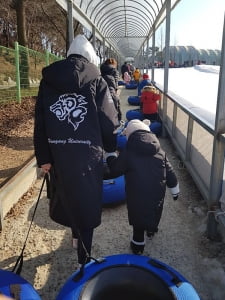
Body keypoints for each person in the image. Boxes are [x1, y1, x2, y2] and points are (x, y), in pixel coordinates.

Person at [33, 34, 119, 267]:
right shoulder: (97, 80)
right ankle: (84, 258)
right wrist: (110, 149)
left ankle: (74, 237)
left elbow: (40, 123)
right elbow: (109, 122)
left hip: (58, 154)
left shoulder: (48, 81)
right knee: (87, 201)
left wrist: (44, 157)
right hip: (87, 156)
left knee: (68, 195)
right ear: (90, 57)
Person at [106, 119, 179, 255]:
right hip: (158, 191)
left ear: (130, 134)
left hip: (136, 194)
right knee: (155, 210)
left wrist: (111, 156)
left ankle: (138, 245)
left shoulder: (128, 151)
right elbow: (169, 170)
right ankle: (151, 230)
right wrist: (175, 189)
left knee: (138, 219)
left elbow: (115, 170)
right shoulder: (160, 150)